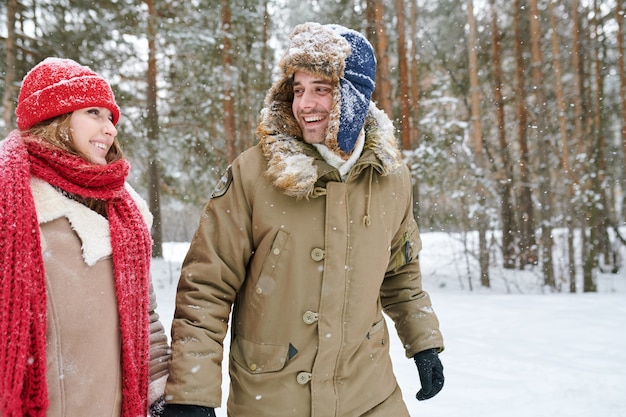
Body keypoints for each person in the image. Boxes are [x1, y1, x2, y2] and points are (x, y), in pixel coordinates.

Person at [163, 22, 444, 417]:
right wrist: (192, 392)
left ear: (353, 97)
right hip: (272, 398)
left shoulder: (390, 176)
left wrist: (423, 342)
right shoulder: (252, 174)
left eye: (321, 89)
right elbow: (206, 288)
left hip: (369, 393)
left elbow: (400, 273)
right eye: (297, 90)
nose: (305, 104)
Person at [0, 57, 170, 417]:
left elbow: (147, 318)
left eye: (111, 117)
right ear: (54, 119)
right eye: (94, 113)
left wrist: (161, 399)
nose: (110, 128)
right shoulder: (12, 205)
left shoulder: (126, 213)